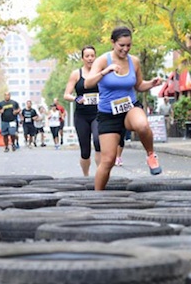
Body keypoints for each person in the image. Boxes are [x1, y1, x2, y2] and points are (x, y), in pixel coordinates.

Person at [84, 26, 163, 191]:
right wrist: (105, 71)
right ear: (113, 43)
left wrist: (151, 83)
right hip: (108, 114)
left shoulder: (134, 61)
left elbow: (139, 85)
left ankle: (151, 155)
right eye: (122, 45)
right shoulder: (102, 60)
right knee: (108, 160)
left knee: (142, 124)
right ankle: (96, 196)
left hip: (129, 108)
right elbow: (88, 83)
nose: (125, 49)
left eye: (128, 45)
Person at [63, 45, 101, 176]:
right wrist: (76, 98)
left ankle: (101, 175)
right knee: (85, 150)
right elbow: (66, 94)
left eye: (92, 56)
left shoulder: (101, 73)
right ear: (83, 58)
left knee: (98, 142)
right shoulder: (76, 74)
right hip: (82, 116)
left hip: (98, 114)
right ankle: (86, 176)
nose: (90, 58)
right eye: (87, 56)